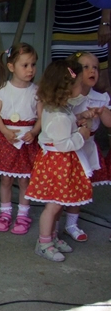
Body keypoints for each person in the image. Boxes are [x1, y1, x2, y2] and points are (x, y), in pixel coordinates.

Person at [25, 59, 92, 262]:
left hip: (57, 163)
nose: (81, 88)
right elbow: (64, 144)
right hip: (57, 164)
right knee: (53, 205)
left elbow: (63, 126)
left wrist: (77, 119)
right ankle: (44, 243)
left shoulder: (58, 108)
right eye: (78, 84)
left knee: (59, 203)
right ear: (66, 89)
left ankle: (52, 237)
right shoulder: (58, 116)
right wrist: (82, 135)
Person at [0, 43, 42, 235]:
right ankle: (5, 212)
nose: (30, 69)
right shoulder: (2, 90)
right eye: (25, 65)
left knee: (25, 181)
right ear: (11, 67)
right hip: (7, 140)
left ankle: (23, 214)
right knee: (6, 180)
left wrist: (34, 132)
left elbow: (41, 116)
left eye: (33, 65)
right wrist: (4, 131)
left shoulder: (36, 91)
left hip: (27, 142)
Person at [63, 51, 111, 242]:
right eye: (86, 67)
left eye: (96, 68)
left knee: (80, 188)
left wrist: (103, 111)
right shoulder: (66, 97)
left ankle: (71, 224)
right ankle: (53, 225)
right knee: (62, 187)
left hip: (86, 147)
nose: (92, 71)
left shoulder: (100, 98)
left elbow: (109, 123)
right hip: (68, 147)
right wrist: (80, 118)